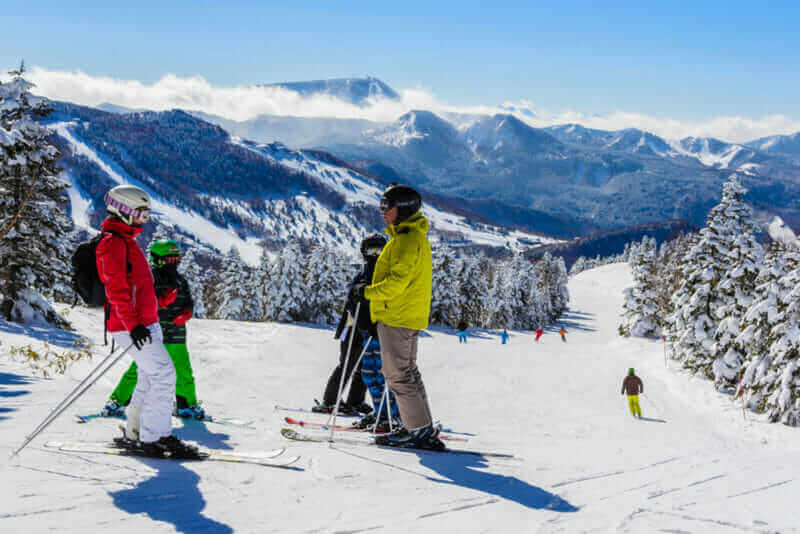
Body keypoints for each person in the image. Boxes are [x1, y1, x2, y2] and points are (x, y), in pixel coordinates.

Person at [96, 185, 196, 457]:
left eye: (147, 214)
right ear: (123, 210)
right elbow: (115, 289)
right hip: (133, 326)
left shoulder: (126, 241)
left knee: (149, 379)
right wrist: (134, 324)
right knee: (165, 375)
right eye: (140, 214)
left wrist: (158, 304)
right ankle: (156, 437)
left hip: (143, 323)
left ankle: (137, 432)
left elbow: (140, 288)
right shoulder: (112, 243)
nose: (144, 220)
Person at [354, 184, 443, 450]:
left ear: (402, 209)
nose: (382, 211)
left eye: (387, 206)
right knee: (407, 372)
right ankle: (419, 427)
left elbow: (396, 283)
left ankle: (417, 430)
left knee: (398, 375)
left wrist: (366, 292)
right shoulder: (408, 236)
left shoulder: (406, 240)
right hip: (402, 314)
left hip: (397, 316)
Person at [103, 240, 205, 420]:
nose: (173, 264)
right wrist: (162, 301)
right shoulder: (148, 280)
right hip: (153, 333)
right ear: (157, 260)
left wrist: (187, 312)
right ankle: (117, 402)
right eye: (168, 260)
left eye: (176, 259)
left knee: (183, 371)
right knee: (139, 369)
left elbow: (188, 301)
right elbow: (142, 305)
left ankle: (186, 406)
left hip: (176, 334)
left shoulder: (180, 281)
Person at [312, 235, 386, 417]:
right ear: (364, 252)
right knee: (347, 364)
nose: (375, 254)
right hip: (352, 327)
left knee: (364, 366)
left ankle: (355, 401)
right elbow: (353, 300)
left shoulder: (381, 272)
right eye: (371, 251)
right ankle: (330, 401)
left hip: (369, 327)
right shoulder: (364, 273)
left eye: (379, 250)